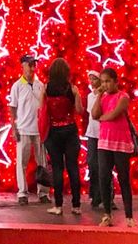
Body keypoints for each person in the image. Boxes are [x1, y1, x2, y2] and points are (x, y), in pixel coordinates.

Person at [91, 67, 135, 227]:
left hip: (121, 144)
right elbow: (94, 115)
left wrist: (103, 118)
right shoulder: (102, 98)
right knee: (104, 177)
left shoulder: (123, 96)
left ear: (116, 81)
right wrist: (99, 95)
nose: (105, 84)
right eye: (103, 82)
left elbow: (114, 114)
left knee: (123, 179)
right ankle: (107, 214)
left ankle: (129, 216)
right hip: (104, 143)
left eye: (108, 81)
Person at [40, 57, 84, 216]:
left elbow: (41, 110)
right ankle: (76, 205)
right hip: (70, 131)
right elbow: (79, 110)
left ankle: (58, 206)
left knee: (57, 169)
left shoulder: (46, 88)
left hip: (53, 133)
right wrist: (77, 95)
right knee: (73, 168)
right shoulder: (71, 89)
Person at [8, 54, 50, 205]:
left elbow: (44, 106)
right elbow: (12, 108)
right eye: (29, 65)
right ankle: (22, 193)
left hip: (39, 129)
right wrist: (14, 128)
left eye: (34, 65)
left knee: (42, 162)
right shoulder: (17, 86)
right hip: (24, 129)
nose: (32, 68)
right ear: (23, 66)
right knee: (22, 162)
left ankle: (43, 192)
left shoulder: (40, 85)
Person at [84, 71, 102, 209]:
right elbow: (92, 113)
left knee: (105, 166)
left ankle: (107, 195)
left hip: (103, 134)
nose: (91, 82)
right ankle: (95, 195)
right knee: (92, 164)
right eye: (90, 79)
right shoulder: (90, 96)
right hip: (92, 134)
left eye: (94, 79)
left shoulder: (105, 96)